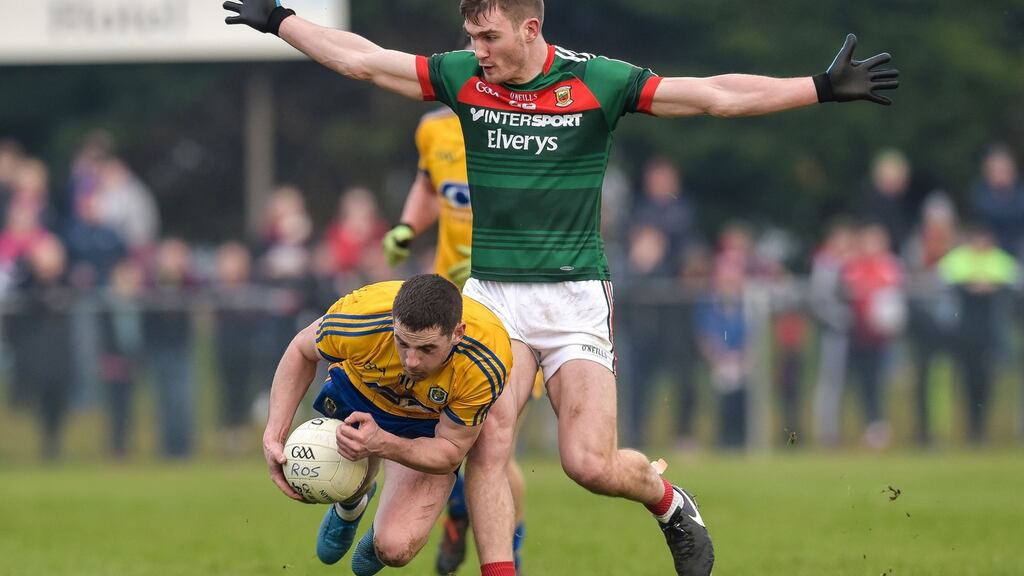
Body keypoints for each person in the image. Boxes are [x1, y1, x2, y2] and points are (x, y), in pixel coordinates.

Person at [224, 1, 899, 573]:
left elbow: (713, 95)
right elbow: (363, 59)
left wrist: (816, 87)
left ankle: (667, 500)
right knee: (489, 443)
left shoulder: (597, 82)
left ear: (529, 28)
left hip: (576, 297)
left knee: (589, 463)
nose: (475, 50)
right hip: (493, 299)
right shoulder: (465, 78)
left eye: (488, 37)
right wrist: (283, 21)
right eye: (471, 37)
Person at [260, 274, 513, 575]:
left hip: (426, 421)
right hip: (358, 392)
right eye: (402, 343)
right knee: (353, 473)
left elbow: (450, 451)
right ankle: (352, 500)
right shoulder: (361, 316)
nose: (412, 361)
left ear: (457, 333)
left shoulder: (485, 360)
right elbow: (301, 350)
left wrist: (382, 442)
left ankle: (376, 518)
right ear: (393, 321)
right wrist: (274, 434)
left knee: (394, 548)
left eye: (427, 349)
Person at [381, 87, 533, 573]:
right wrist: (408, 226)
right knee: (450, 442)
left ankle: (507, 549)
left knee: (493, 446)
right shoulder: (433, 129)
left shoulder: (525, 128)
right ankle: (459, 515)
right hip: (443, 318)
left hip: (510, 314)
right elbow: (431, 186)